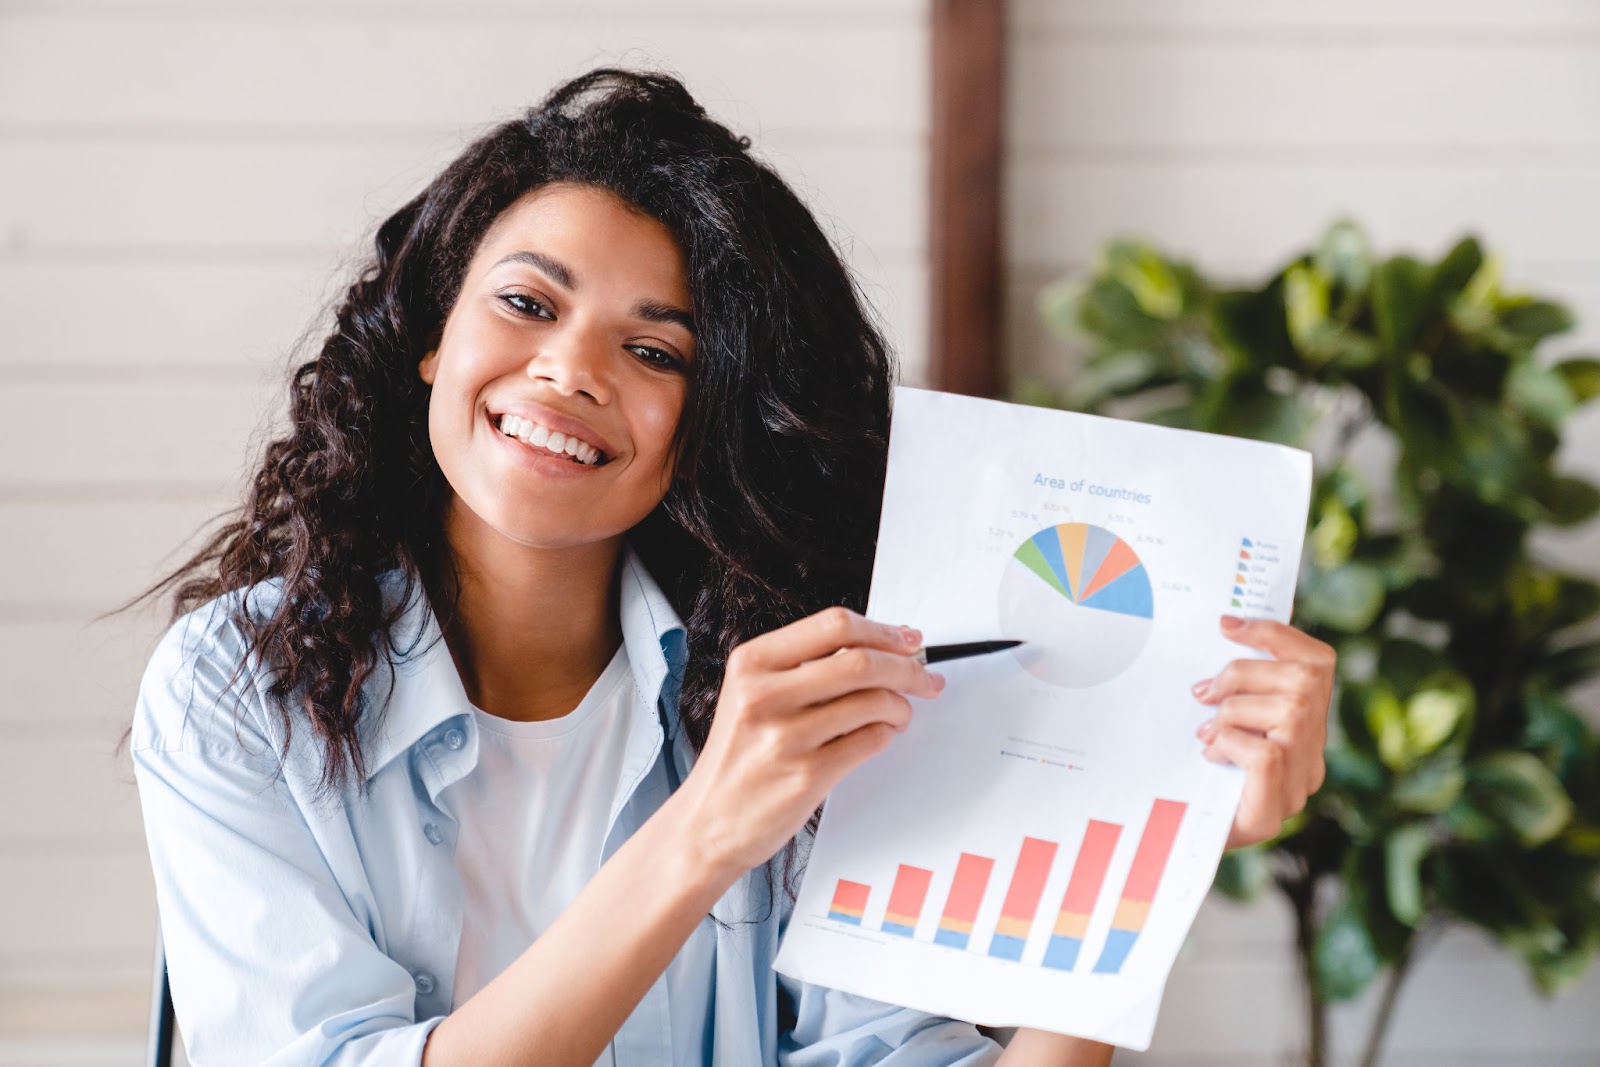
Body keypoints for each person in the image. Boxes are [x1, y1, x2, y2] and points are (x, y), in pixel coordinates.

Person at [121, 69, 1335, 1066]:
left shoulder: (788, 702)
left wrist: (1157, 836)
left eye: (654, 348)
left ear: (708, 423)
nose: (571, 370)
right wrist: (705, 830)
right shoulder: (236, 686)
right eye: (527, 303)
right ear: (432, 337)